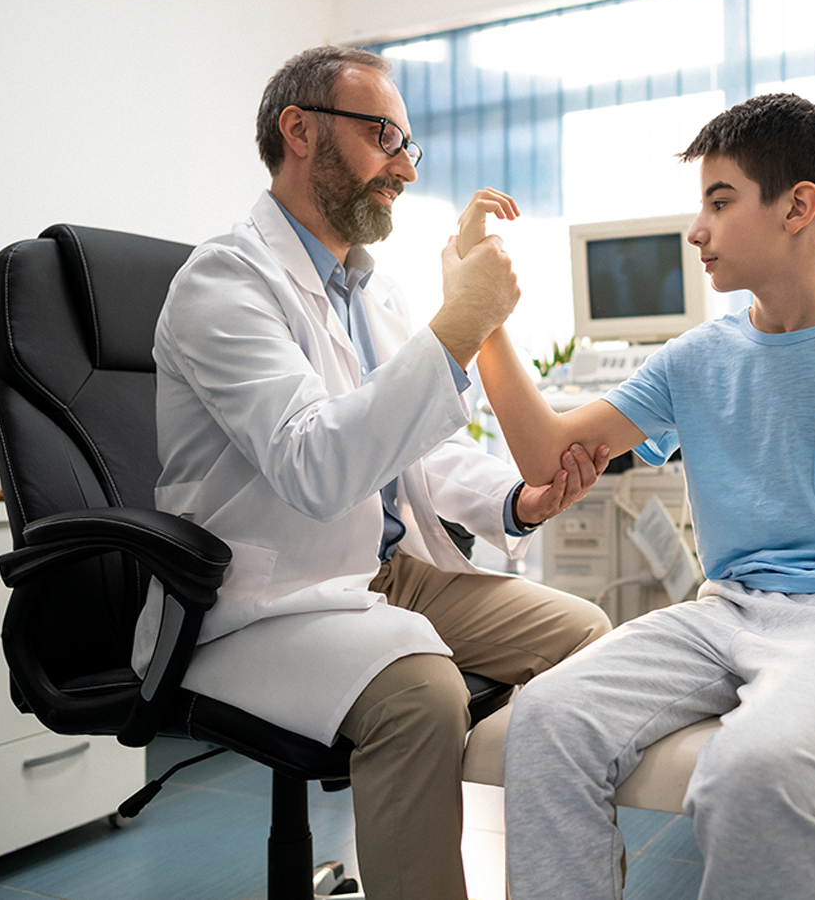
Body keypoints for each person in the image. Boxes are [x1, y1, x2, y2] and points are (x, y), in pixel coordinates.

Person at [473, 93, 815, 900]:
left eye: (720, 200)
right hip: (728, 611)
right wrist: (482, 320)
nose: (696, 230)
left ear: (797, 207)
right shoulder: (695, 360)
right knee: (548, 720)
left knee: (751, 768)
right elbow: (541, 452)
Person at [130, 45, 611, 900]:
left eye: (409, 145)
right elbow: (316, 465)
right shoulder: (224, 282)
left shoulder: (368, 293)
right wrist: (460, 320)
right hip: (265, 598)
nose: (404, 164)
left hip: (390, 574)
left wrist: (515, 497)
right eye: (385, 133)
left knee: (588, 641)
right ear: (300, 129)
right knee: (421, 698)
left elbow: (419, 453)